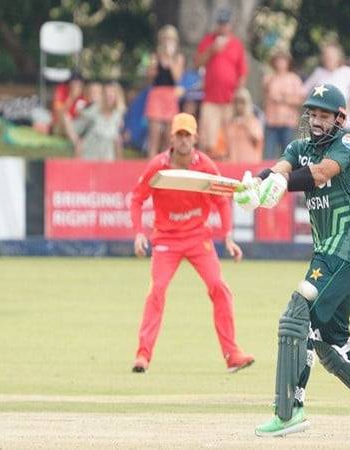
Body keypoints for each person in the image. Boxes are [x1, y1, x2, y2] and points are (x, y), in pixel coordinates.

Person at [234, 83, 350, 438]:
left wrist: (281, 183)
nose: (317, 121)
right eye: (312, 114)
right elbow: (282, 168)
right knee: (333, 340)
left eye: (324, 115)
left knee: (297, 321)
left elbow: (319, 174)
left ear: (339, 118)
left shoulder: (346, 144)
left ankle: (290, 410)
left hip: (343, 253)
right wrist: (256, 184)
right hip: (325, 256)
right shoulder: (299, 147)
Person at [130, 112, 255, 374]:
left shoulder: (206, 165)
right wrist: (139, 233)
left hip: (198, 237)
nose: (184, 140)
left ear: (195, 138)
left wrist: (228, 236)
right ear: (171, 137)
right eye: (179, 135)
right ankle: (143, 355)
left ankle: (232, 354)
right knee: (157, 290)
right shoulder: (158, 166)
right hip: (166, 239)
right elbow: (137, 198)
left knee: (219, 287)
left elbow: (222, 199)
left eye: (188, 135)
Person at [194, 7, 247, 159]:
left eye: (225, 23)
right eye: (220, 23)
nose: (223, 26)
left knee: (230, 138)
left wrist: (238, 94)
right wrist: (212, 50)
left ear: (230, 25)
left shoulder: (237, 44)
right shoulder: (208, 41)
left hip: (229, 99)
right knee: (207, 138)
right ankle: (206, 164)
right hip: (210, 98)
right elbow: (197, 64)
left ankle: (230, 164)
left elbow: (242, 72)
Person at [303, 43, 350, 130]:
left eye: (331, 57)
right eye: (326, 56)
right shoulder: (318, 73)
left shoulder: (346, 72)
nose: (328, 59)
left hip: (342, 124)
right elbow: (303, 91)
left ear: (338, 58)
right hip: (321, 126)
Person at [145, 25, 185, 159]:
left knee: (169, 139)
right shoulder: (155, 55)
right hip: (156, 96)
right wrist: (155, 63)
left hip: (170, 96)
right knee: (154, 138)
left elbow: (177, 78)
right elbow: (150, 77)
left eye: (171, 38)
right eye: (166, 38)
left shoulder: (178, 57)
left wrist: (170, 59)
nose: (168, 41)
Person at [64, 81, 126, 161]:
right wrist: (76, 142)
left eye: (112, 94)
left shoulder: (118, 116)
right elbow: (68, 121)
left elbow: (117, 143)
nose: (109, 97)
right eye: (106, 94)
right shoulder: (93, 112)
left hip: (107, 165)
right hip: (88, 162)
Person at [262, 50, 304, 159]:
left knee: (287, 155)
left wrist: (283, 99)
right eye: (278, 61)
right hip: (271, 122)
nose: (280, 64)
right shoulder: (269, 78)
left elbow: (300, 100)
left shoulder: (294, 79)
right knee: (268, 155)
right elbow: (266, 97)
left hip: (288, 123)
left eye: (283, 61)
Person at [224, 87, 263, 163]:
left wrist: (245, 125)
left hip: (250, 164)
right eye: (236, 102)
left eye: (242, 102)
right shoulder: (229, 122)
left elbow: (257, 140)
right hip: (233, 163)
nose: (239, 106)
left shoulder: (253, 121)